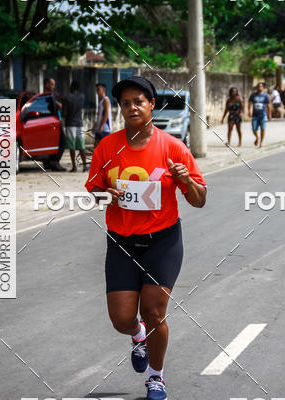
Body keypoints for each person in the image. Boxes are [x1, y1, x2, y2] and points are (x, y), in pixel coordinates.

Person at [85, 76, 207, 400]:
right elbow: (94, 191)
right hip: (122, 242)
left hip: (162, 242)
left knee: (154, 312)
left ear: (152, 104)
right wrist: (105, 195)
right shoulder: (107, 147)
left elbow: (199, 199)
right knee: (122, 319)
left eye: (138, 101)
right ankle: (137, 334)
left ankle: (156, 377)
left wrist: (187, 181)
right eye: (125, 103)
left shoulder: (173, 148)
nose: (132, 107)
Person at [62, 81, 87, 172]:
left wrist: (61, 105)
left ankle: (74, 167)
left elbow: (64, 113)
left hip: (70, 124)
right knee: (81, 146)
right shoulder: (82, 97)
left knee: (71, 147)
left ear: (71, 87)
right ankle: (84, 166)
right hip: (79, 124)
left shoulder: (67, 98)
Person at [43, 77, 67, 171]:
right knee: (62, 142)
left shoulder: (53, 95)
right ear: (47, 85)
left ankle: (50, 162)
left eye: (54, 85)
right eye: (52, 84)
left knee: (54, 143)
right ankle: (55, 161)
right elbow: (59, 106)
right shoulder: (46, 96)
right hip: (51, 123)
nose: (54, 87)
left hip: (55, 121)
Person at [248, 82, 271, 147]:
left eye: (261, 86)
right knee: (254, 129)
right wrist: (249, 111)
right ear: (256, 87)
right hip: (255, 115)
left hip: (263, 115)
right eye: (258, 86)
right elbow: (250, 104)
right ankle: (257, 137)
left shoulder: (265, 96)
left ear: (263, 88)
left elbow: (268, 106)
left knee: (263, 129)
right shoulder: (253, 95)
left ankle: (261, 142)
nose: (259, 87)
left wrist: (269, 114)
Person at [92, 83, 112, 148]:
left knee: (105, 147)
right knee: (96, 147)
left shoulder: (106, 100)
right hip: (99, 128)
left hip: (105, 128)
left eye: (98, 89)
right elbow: (99, 116)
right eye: (96, 89)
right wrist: (95, 125)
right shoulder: (101, 101)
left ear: (103, 89)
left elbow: (106, 114)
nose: (97, 91)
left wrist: (101, 126)